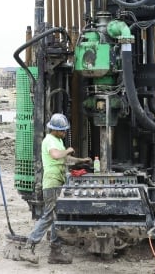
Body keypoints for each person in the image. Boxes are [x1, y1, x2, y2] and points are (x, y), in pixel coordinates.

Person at [21, 113, 91, 265]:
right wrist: (68, 150)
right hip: (51, 183)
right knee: (48, 216)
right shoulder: (49, 140)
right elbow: (55, 155)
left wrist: (81, 161)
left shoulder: (58, 140)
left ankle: (55, 251)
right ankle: (28, 246)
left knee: (56, 217)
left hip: (58, 182)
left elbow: (65, 159)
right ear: (55, 129)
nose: (65, 133)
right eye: (63, 130)